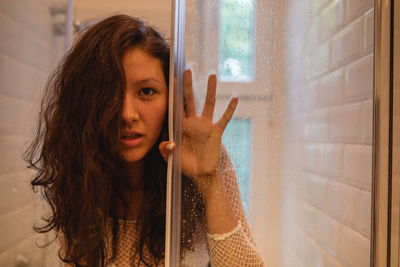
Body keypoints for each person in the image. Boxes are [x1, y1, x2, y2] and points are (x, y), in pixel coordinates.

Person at [24, 15, 264, 266]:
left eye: (147, 91)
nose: (127, 114)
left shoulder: (204, 158)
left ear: (171, 99)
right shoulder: (81, 170)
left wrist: (210, 183)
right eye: (110, 93)